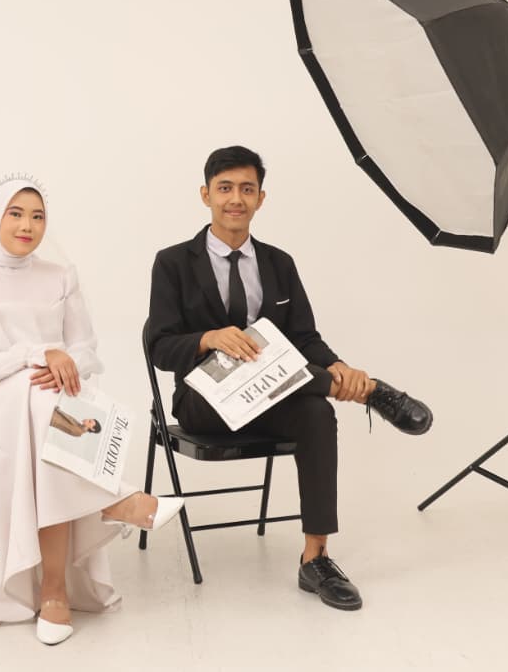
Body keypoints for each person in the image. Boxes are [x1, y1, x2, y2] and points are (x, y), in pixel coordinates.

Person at [146, 146, 432, 611]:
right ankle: (372, 394)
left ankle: (315, 558)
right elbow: (159, 348)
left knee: (316, 411)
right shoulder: (173, 262)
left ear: (261, 198)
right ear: (205, 195)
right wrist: (209, 339)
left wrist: (338, 367)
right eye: (224, 188)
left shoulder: (279, 263)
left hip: (271, 395)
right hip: (205, 401)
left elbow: (303, 338)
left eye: (247, 189)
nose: (235, 198)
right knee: (268, 363)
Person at [0, 175, 182, 644]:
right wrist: (40, 355)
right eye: (15, 214)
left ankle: (54, 590)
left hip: (43, 415)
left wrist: (61, 362)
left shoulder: (60, 276)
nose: (27, 225)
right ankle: (111, 501)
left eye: (37, 216)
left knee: (41, 407)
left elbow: (86, 350)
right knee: (35, 393)